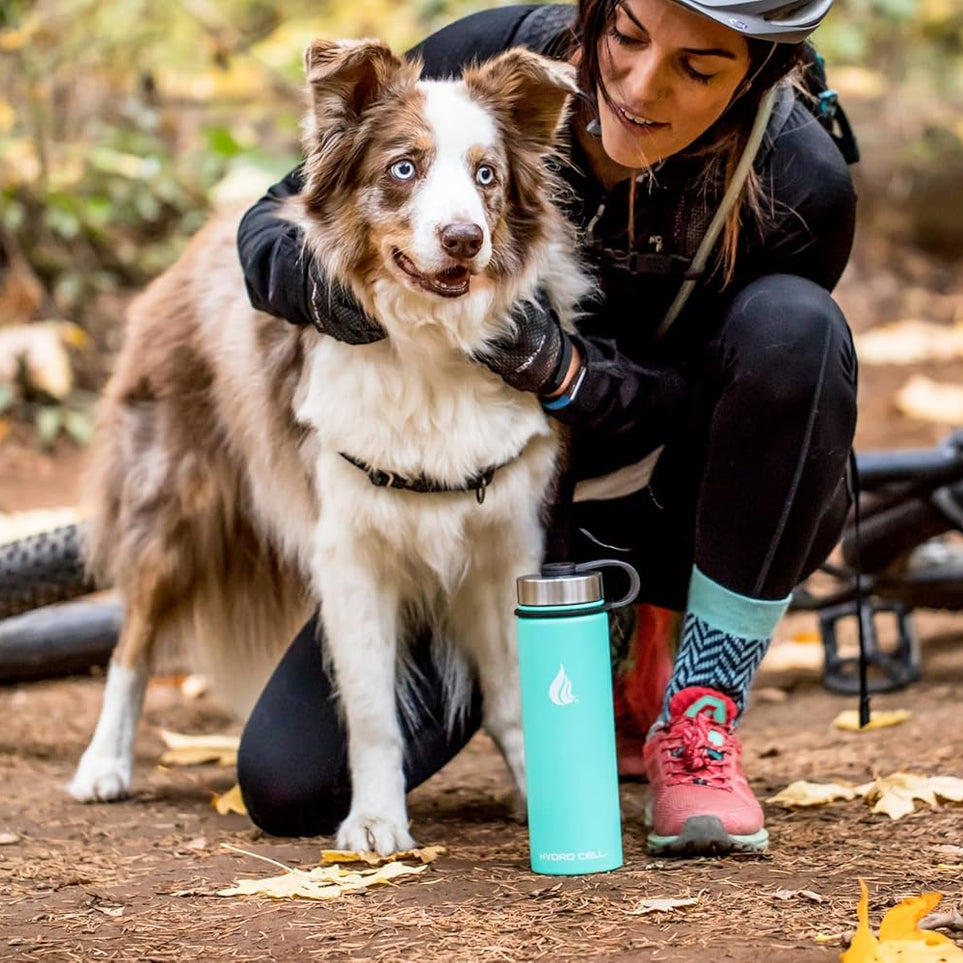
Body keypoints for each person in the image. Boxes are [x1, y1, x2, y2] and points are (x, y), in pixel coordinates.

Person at [235, 0, 858, 856]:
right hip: (483, 502)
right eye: (628, 37)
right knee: (289, 781)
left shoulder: (800, 181)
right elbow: (273, 233)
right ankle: (597, 649)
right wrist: (377, 287)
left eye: (698, 68)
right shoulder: (492, 58)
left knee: (800, 329)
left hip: (674, 502)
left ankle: (693, 700)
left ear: (754, 75)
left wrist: (569, 374)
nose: (640, 87)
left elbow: (759, 403)